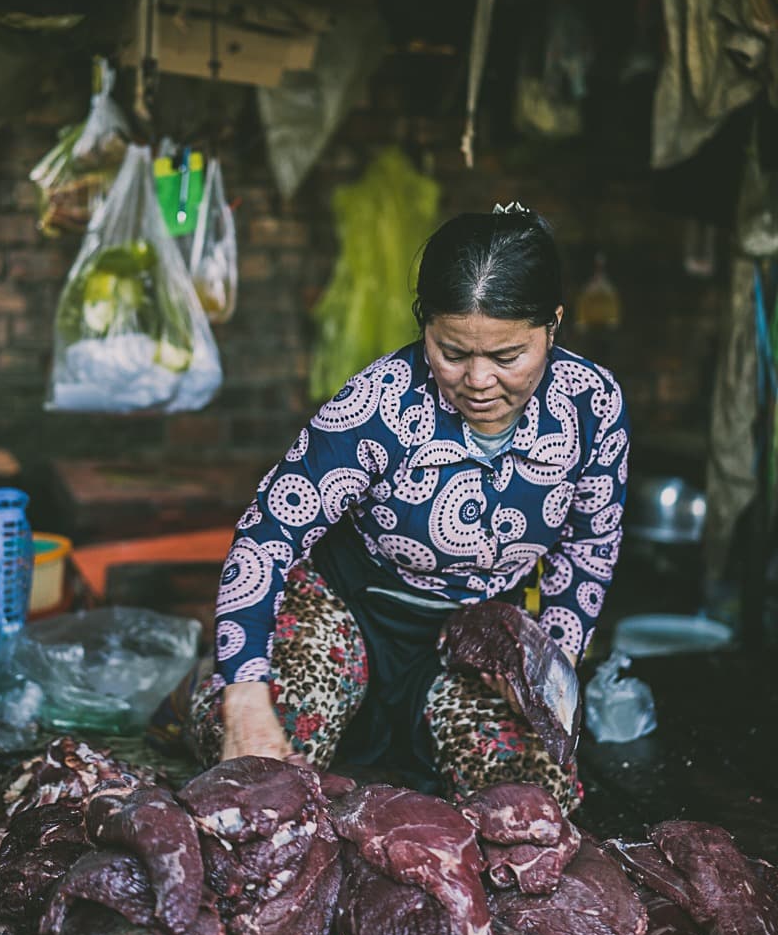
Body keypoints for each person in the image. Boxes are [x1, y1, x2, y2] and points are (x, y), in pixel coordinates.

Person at [187, 203, 629, 810]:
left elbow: (590, 545)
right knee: (255, 777)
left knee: (532, 803)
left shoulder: (592, 405)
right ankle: (205, 687)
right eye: (452, 352)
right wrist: (243, 694)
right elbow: (267, 535)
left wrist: (547, 663)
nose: (478, 381)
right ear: (425, 326)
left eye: (507, 357)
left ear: (552, 323)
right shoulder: (379, 402)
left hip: (474, 638)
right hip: (348, 610)